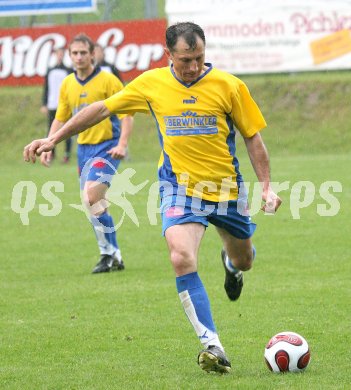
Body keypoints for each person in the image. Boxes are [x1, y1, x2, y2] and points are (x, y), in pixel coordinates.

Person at [24, 22, 282, 373]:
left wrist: (266, 185)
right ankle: (212, 345)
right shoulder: (151, 83)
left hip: (226, 190)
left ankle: (232, 265)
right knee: (180, 257)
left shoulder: (229, 86)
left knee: (245, 258)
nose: (193, 66)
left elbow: (253, 137)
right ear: (169, 55)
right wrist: (54, 138)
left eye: (199, 58)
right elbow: (102, 109)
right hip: (178, 188)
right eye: (185, 59)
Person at [38, 33, 134, 274]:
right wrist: (50, 143)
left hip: (107, 146)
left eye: (83, 52)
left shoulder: (108, 80)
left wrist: (122, 144)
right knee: (96, 204)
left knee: (90, 198)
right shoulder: (68, 83)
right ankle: (115, 255)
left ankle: (106, 254)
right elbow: (61, 117)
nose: (79, 57)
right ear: (69, 56)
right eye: (75, 53)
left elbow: (127, 113)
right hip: (84, 150)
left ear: (93, 54)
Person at [40, 47, 73, 163]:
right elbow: (46, 88)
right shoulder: (50, 70)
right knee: (51, 130)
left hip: (65, 105)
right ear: (55, 55)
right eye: (57, 54)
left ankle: (67, 155)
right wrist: (44, 103)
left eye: (61, 54)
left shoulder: (68, 70)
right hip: (52, 104)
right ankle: (51, 153)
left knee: (67, 130)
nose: (59, 56)